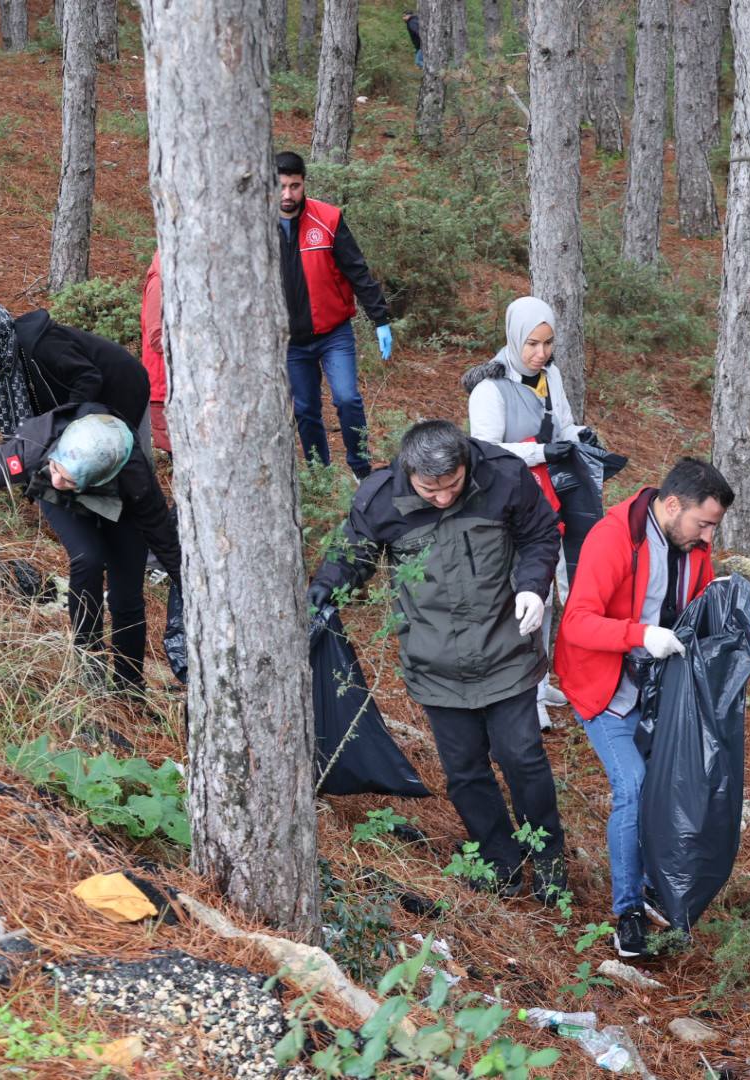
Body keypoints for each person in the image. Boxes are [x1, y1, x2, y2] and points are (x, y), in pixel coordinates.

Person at [307, 420, 567, 901]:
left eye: (452, 486)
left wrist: (532, 585)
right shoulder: (381, 498)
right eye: (431, 490)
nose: (444, 498)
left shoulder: (504, 477)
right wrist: (324, 589)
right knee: (465, 770)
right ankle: (499, 861)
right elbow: (352, 555)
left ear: (467, 464)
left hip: (506, 648)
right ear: (411, 473)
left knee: (522, 758)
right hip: (434, 660)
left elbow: (541, 535)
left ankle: (549, 858)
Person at [555, 457, 733, 958]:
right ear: (672, 505)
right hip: (606, 692)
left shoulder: (692, 541)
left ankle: (659, 888)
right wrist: (641, 636)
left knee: (671, 785)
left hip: (660, 692)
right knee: (633, 787)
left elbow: (697, 598)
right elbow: (577, 624)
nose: (708, 536)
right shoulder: (614, 538)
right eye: (704, 523)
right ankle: (627, 910)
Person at [0, 403, 181, 692]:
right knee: (88, 559)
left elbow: (166, 542)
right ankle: (90, 671)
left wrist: (186, 586)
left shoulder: (137, 480)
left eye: (67, 478)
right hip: (63, 498)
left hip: (120, 503)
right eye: (59, 470)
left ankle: (129, 689)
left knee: (128, 595)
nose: (58, 480)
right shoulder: (34, 453)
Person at [463, 296, 593, 731]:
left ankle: (540, 684)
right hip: (510, 501)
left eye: (548, 343)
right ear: (514, 337)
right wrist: (540, 452)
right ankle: (522, 689)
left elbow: (563, 424)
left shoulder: (550, 376)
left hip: (550, 496)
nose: (541, 353)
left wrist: (578, 436)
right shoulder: (489, 389)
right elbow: (485, 450)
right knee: (523, 590)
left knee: (551, 588)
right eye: (532, 344)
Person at [276, 151, 393, 480]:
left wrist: (380, 318)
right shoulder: (256, 226)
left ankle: (360, 466)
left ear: (303, 184)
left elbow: (357, 270)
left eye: (294, 186)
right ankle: (319, 472)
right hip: (290, 342)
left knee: (346, 397)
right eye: (281, 186)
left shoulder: (327, 219)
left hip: (333, 332)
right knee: (306, 409)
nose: (287, 194)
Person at [0, 303, 151, 465]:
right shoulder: (7, 367)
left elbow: (87, 378)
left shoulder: (43, 345)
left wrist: (66, 422)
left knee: (127, 456)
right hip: (94, 403)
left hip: (123, 386)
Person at [139, 249, 170, 454]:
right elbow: (156, 336)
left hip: (172, 385)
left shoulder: (172, 280)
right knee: (176, 453)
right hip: (162, 387)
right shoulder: (158, 284)